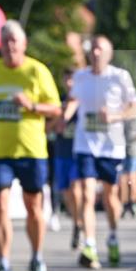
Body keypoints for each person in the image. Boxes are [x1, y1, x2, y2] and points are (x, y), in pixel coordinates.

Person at [0, 20, 61, 271]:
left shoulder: (37, 71)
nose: (9, 46)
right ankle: (4, 266)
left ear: (23, 44)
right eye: (5, 41)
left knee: (33, 207)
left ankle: (37, 259)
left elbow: (56, 109)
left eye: (14, 41)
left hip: (31, 150)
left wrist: (31, 105)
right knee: (0, 203)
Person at [65, 35, 136, 269]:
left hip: (111, 145)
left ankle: (113, 235)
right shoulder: (80, 76)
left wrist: (116, 116)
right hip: (85, 144)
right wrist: (63, 117)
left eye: (101, 50)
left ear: (109, 54)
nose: (96, 53)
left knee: (110, 196)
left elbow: (135, 108)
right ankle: (90, 245)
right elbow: (72, 101)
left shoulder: (119, 77)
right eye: (93, 49)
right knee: (87, 194)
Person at [49, 68, 83, 248]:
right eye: (67, 80)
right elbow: (49, 127)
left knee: (76, 189)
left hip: (78, 152)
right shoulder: (58, 100)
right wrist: (58, 119)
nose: (69, 83)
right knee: (66, 193)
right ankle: (77, 221)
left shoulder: (83, 100)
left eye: (72, 80)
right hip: (62, 151)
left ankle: (79, 225)